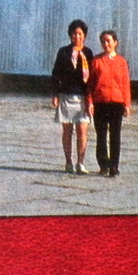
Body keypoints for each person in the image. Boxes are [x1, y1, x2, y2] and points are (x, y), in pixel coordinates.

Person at [51, 19, 93, 174]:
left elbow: (92, 77)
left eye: (80, 34)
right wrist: (55, 94)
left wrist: (91, 99)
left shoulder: (88, 53)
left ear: (85, 36)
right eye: (74, 33)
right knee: (67, 131)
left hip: (83, 97)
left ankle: (80, 163)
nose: (77, 36)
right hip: (66, 96)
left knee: (82, 131)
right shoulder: (63, 52)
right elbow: (56, 74)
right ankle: (68, 162)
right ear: (70, 35)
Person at [88, 30, 132, 177]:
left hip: (116, 103)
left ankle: (114, 166)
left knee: (115, 136)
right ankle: (103, 165)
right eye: (103, 41)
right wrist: (90, 102)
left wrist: (127, 104)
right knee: (101, 135)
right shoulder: (96, 61)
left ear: (115, 43)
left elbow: (125, 84)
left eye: (109, 41)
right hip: (100, 102)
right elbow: (90, 85)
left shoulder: (121, 62)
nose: (106, 44)